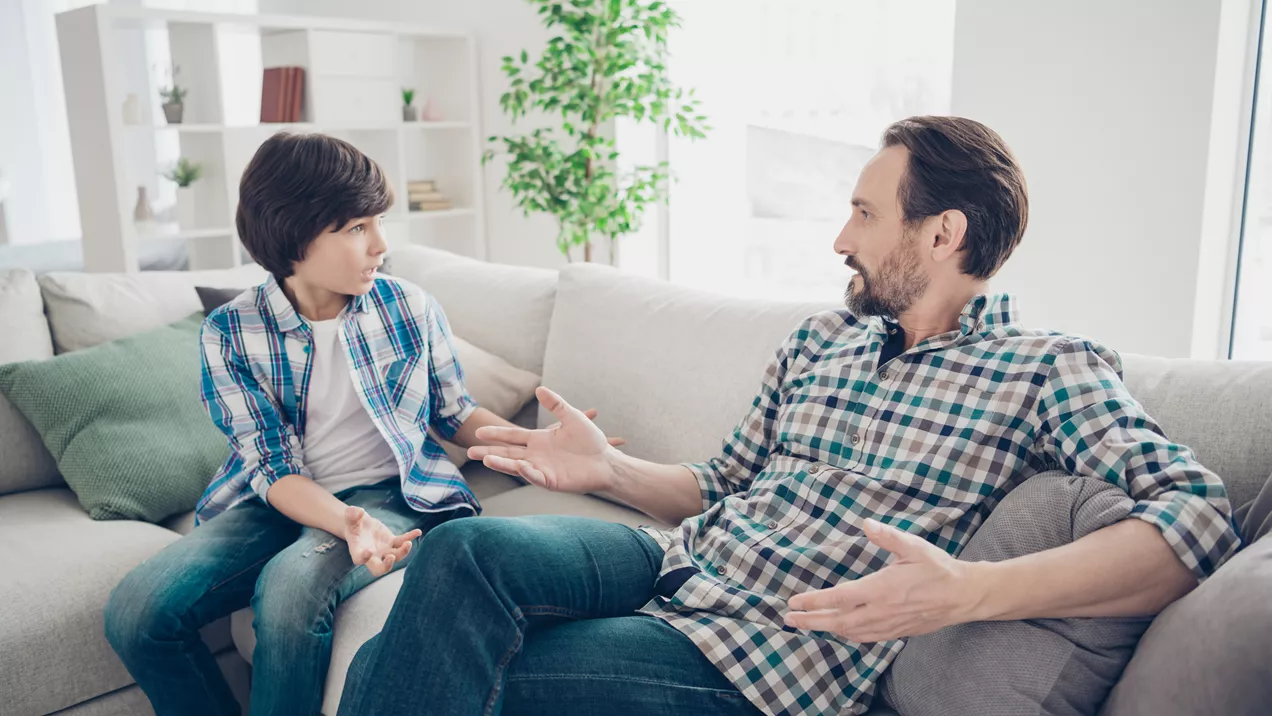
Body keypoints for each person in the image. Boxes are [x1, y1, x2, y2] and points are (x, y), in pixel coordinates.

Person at [337, 116, 1240, 716]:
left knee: (411, 670)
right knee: (462, 552)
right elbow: (720, 486)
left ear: (942, 233)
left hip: (767, 653)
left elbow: (1196, 519)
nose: (840, 239)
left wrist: (969, 592)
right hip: (677, 564)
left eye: (862, 213)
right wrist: (608, 470)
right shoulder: (823, 340)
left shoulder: (1045, 368)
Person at [102, 132, 548, 715]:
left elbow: (453, 411)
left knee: (289, 594)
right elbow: (271, 465)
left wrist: (533, 444)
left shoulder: (406, 306)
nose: (380, 245)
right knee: (136, 612)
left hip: (395, 493)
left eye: (379, 222)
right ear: (294, 233)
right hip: (278, 499)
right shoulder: (231, 332)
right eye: (357, 228)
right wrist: (344, 522)